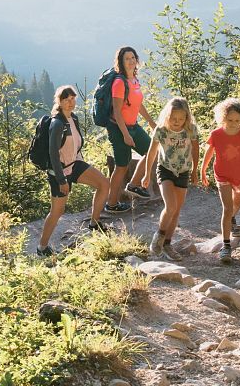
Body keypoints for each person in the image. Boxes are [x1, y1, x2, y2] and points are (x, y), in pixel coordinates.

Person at [37, 85, 111, 257]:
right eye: (66, 100)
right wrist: (62, 181)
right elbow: (53, 154)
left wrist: (82, 164)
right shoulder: (57, 123)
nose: (70, 103)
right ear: (59, 102)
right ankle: (42, 248)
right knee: (57, 212)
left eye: (72, 99)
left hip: (75, 164)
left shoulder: (73, 118)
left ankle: (94, 224)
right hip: (59, 172)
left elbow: (75, 146)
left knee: (103, 184)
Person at [199, 98, 240, 264]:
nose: (233, 124)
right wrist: (203, 170)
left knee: (237, 205)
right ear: (223, 118)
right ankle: (226, 246)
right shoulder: (216, 134)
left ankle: (232, 219)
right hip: (222, 175)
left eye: (237, 121)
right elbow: (209, 152)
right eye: (230, 120)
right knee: (227, 207)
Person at [143, 96, 200, 260]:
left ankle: (167, 244)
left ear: (186, 118)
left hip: (183, 171)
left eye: (181, 118)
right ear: (167, 115)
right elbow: (152, 152)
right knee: (171, 206)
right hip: (165, 169)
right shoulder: (161, 130)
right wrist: (147, 173)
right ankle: (158, 237)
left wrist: (195, 171)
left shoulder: (190, 129)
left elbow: (195, 150)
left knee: (176, 211)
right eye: (174, 118)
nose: (177, 121)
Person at [104, 46, 156, 214]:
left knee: (152, 151)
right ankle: (111, 204)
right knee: (121, 166)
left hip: (133, 126)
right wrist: (125, 135)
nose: (131, 61)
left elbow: (138, 104)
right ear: (121, 61)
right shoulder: (119, 83)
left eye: (133, 57)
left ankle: (133, 184)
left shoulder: (134, 80)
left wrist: (151, 122)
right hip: (119, 129)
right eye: (127, 58)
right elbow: (117, 112)